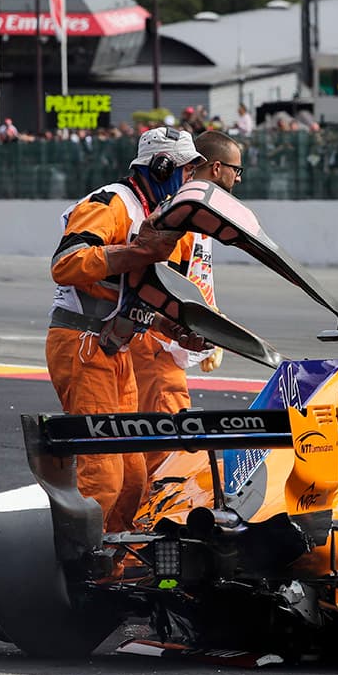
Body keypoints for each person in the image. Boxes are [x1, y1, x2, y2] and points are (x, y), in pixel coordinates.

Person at [46, 126, 209, 532]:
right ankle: (79, 572)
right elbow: (65, 264)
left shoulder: (152, 214)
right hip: (83, 344)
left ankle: (114, 569)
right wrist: (137, 252)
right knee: (104, 476)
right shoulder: (112, 202)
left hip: (114, 348)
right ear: (162, 166)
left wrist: (176, 330)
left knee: (135, 479)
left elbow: (136, 297)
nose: (190, 179)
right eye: (187, 170)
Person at [114, 130, 241, 527]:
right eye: (236, 170)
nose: (239, 179)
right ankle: (148, 536)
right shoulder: (178, 209)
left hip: (168, 343)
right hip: (158, 345)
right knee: (168, 448)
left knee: (161, 444)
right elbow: (161, 278)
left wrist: (211, 326)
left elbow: (196, 277)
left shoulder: (195, 208)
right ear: (216, 168)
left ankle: (139, 530)